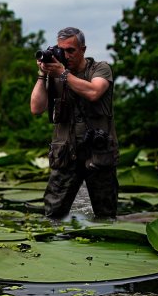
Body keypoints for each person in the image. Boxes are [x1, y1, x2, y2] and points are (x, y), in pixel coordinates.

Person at [30, 27, 119, 220]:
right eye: (62, 50)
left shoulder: (100, 69)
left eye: (71, 50)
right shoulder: (55, 74)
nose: (66, 55)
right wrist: (42, 74)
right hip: (65, 154)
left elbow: (94, 92)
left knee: (106, 215)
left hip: (98, 153)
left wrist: (63, 74)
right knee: (53, 215)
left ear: (83, 49)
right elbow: (36, 108)